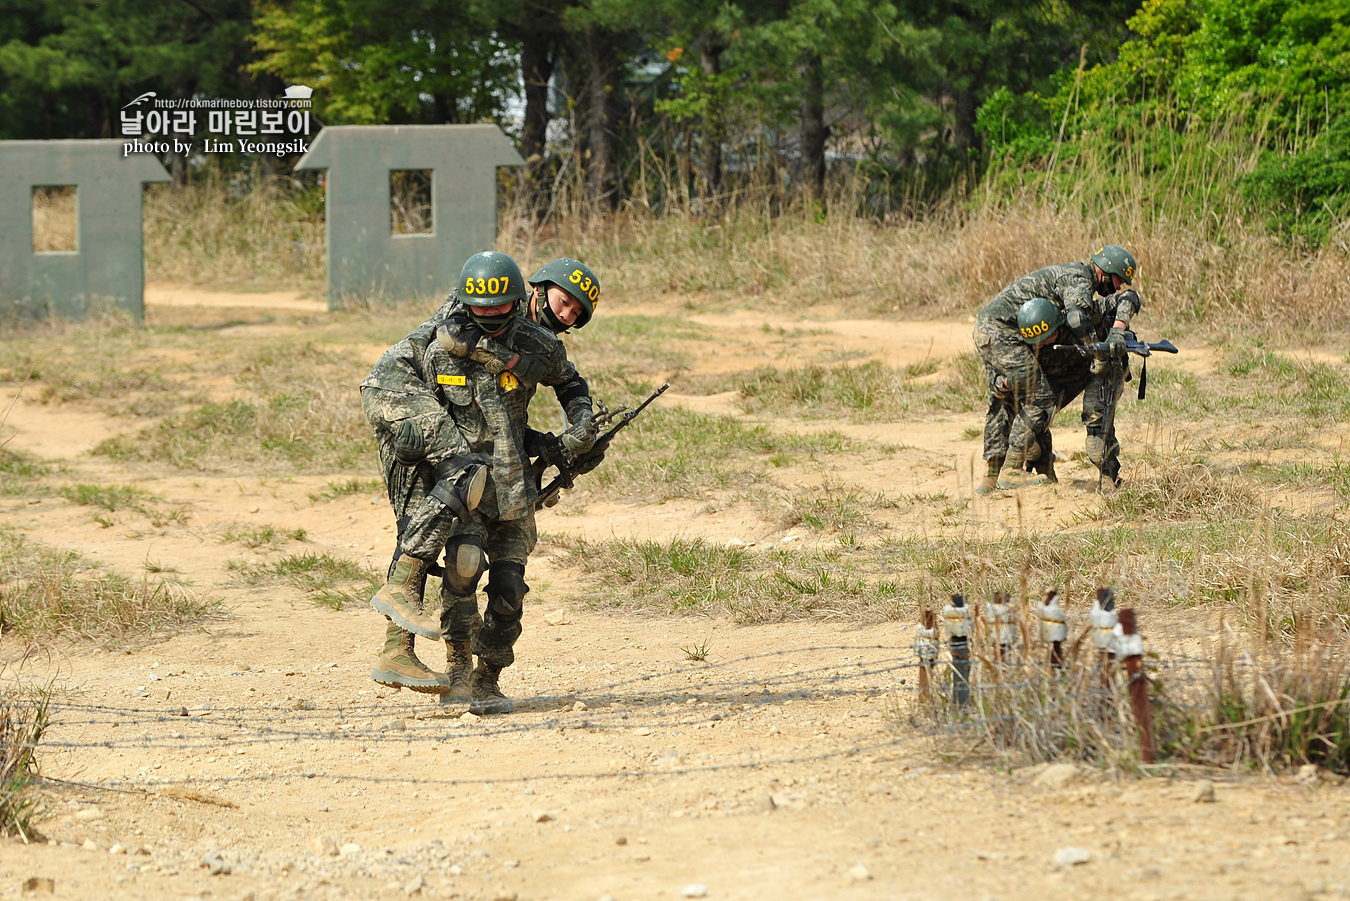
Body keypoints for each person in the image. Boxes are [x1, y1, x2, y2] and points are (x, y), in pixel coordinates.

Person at [363, 252, 599, 713]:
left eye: (576, 312)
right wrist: (413, 442)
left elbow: (557, 392)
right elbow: (443, 415)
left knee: (509, 590)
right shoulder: (445, 340)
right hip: (442, 456)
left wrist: (571, 437)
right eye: (562, 300)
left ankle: (486, 677)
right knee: (461, 567)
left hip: (512, 486)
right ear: (536, 289)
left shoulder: (541, 346)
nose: (565, 313)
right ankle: (452, 672)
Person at [973, 245, 1142, 494]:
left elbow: (1128, 298)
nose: (1119, 286)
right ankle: (1010, 470)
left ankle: (994, 476)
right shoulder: (1079, 279)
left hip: (995, 331)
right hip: (1002, 333)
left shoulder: (1076, 291)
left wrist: (1118, 329)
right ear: (1105, 271)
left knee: (1009, 396)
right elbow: (1076, 319)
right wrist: (1097, 351)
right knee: (1040, 396)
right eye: (1119, 279)